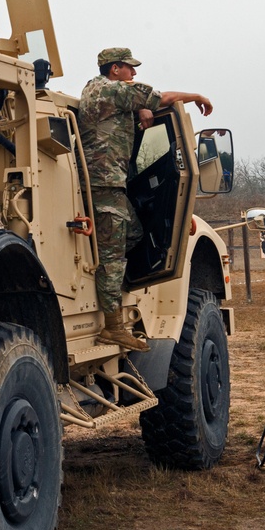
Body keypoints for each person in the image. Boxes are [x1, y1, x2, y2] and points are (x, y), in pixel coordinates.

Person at [78, 47, 214, 351]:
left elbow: (134, 105)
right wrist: (196, 96)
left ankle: (104, 276)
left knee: (134, 233)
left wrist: (138, 109)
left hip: (109, 183)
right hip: (105, 183)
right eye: (129, 68)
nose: (134, 73)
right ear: (115, 69)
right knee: (113, 256)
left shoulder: (96, 89)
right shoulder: (112, 90)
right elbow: (161, 98)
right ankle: (112, 326)